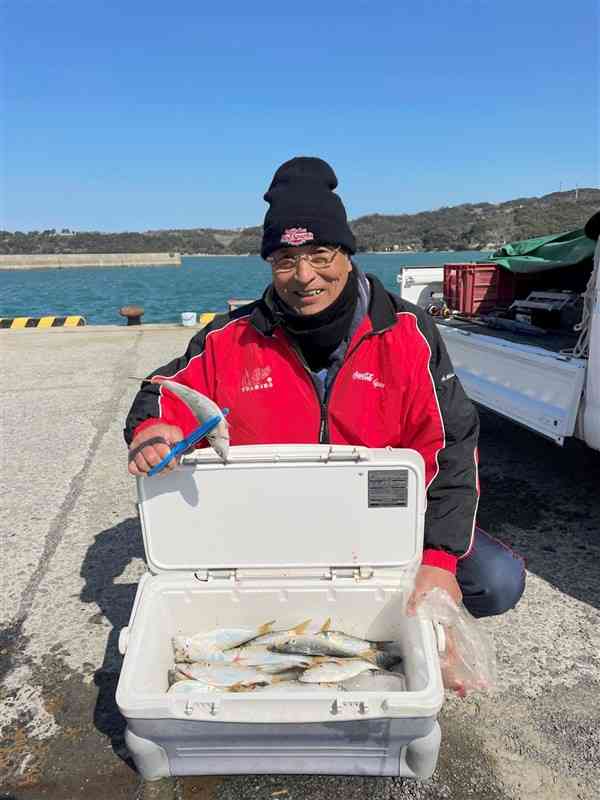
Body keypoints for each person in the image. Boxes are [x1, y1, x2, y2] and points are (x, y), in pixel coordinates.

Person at [125, 156, 525, 618]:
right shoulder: (227, 338)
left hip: (381, 517)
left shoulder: (408, 333)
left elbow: (451, 444)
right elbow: (165, 390)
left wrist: (437, 560)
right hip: (272, 522)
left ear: (347, 254)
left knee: (495, 582)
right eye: (285, 259)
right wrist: (153, 429)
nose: (304, 276)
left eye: (320, 255)